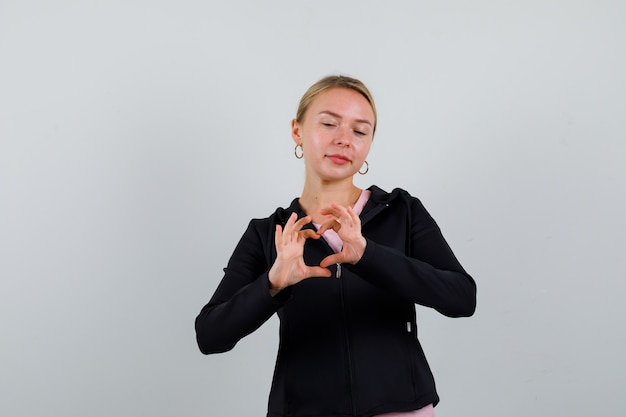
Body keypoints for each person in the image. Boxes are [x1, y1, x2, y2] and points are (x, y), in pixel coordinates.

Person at [195, 75, 477, 417]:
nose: (344, 140)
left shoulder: (402, 212)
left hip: (402, 409)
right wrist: (273, 283)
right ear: (297, 131)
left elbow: (462, 297)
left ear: (370, 144)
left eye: (360, 131)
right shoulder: (269, 233)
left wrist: (368, 255)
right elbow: (210, 336)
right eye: (329, 124)